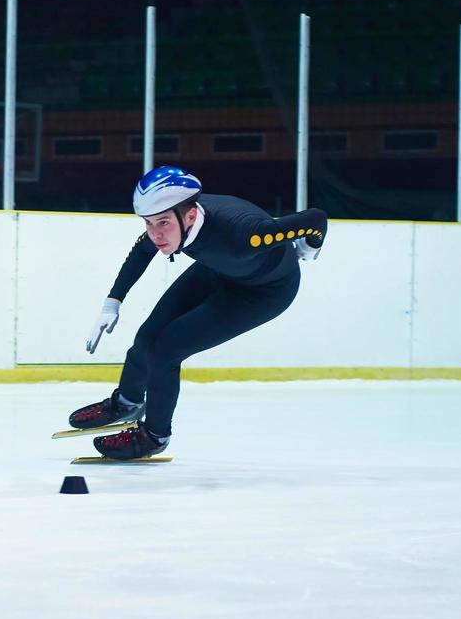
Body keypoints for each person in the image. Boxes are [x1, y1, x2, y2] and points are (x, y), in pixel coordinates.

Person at [68, 165, 328, 460]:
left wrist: (309, 245)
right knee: (148, 336)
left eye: (163, 223)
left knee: (168, 348)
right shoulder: (175, 219)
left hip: (264, 292)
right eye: (148, 223)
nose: (155, 234)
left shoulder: (247, 235)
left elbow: (316, 219)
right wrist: (112, 301)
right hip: (218, 270)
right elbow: (142, 251)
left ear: (190, 215)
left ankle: (155, 436)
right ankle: (127, 402)